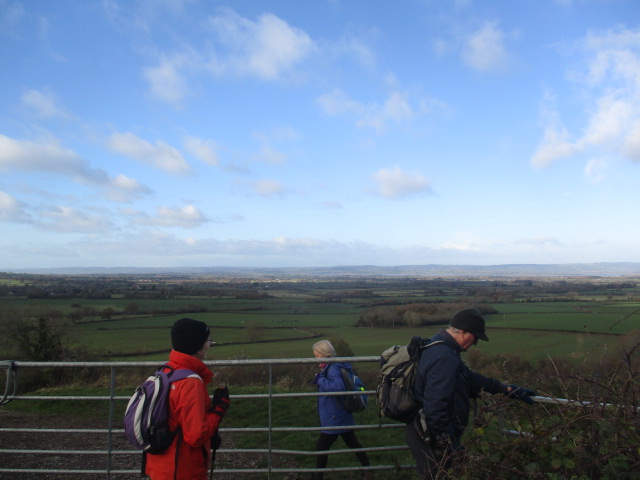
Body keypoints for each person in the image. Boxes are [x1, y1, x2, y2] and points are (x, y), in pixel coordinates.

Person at [406, 308, 536, 479]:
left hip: (428, 431)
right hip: (430, 435)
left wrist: (506, 389)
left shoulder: (442, 347)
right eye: (475, 337)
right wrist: (448, 444)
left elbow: (470, 379)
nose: (475, 343)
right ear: (463, 331)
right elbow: (435, 406)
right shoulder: (444, 356)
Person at [145, 318, 230, 480]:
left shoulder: (165, 373)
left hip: (160, 465)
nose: (209, 344)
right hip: (182, 468)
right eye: (207, 340)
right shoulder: (190, 383)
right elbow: (196, 435)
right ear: (198, 347)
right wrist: (219, 410)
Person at [311, 339, 372, 480]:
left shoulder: (332, 369)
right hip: (339, 414)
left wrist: (319, 380)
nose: (315, 358)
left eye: (317, 355)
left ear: (325, 354)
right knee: (352, 443)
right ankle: (368, 470)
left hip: (335, 417)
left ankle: (318, 477)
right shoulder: (331, 367)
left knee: (321, 447)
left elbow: (338, 387)